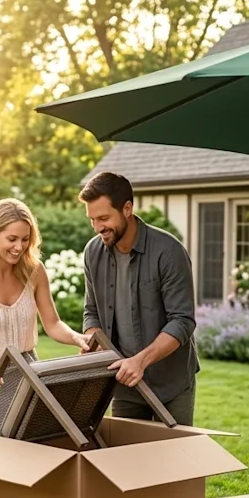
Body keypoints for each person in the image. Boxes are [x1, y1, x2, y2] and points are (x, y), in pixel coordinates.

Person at [78, 171, 200, 426]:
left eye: (103, 218)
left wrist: (141, 361)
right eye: (92, 220)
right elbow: (92, 312)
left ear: (127, 208)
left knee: (175, 459)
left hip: (171, 382)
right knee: (129, 459)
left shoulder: (169, 252)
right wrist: (94, 339)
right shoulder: (93, 252)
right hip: (124, 384)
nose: (98, 227)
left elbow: (182, 321)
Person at [0, 198, 92, 394]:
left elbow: (52, 324)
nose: (19, 246)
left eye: (25, 239)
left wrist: (76, 337)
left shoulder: (35, 272)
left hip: (27, 369)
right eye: (12, 239)